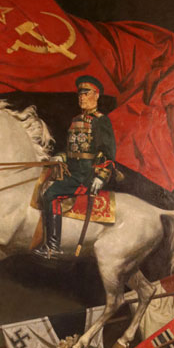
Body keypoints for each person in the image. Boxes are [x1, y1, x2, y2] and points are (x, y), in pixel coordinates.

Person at [34, 74, 116, 260]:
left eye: (86, 93)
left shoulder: (101, 121)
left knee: (50, 194)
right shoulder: (75, 120)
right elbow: (71, 150)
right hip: (71, 171)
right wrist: (60, 156)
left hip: (86, 174)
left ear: (96, 95)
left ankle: (53, 246)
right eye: (80, 94)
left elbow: (108, 152)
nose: (81, 97)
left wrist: (101, 177)